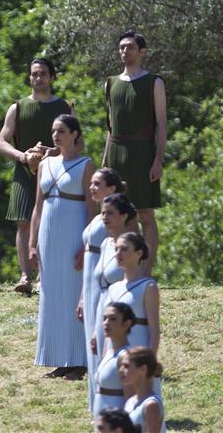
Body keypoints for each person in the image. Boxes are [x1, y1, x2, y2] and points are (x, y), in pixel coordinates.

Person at [0, 57, 74, 293]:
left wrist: (54, 151)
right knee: (23, 223)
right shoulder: (18, 107)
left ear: (51, 77)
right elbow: (1, 142)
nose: (38, 78)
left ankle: (43, 275)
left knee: (48, 223)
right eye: (34, 74)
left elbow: (78, 145)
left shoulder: (65, 108)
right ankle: (24, 276)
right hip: (24, 172)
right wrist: (23, 157)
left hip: (55, 171)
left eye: (42, 74)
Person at [30, 114, 96, 380]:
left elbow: (92, 209)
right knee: (52, 294)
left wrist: (87, 244)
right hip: (49, 235)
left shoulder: (86, 165)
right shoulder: (45, 164)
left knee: (73, 292)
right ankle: (58, 358)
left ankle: (79, 360)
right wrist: (33, 243)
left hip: (73, 234)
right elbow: (37, 206)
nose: (56, 136)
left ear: (75, 135)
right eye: (54, 131)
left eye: (62, 131)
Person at [102, 31, 166, 272]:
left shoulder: (154, 82)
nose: (124, 51)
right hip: (117, 152)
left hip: (142, 152)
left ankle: (145, 269)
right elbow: (110, 127)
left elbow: (161, 123)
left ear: (142, 51)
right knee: (120, 213)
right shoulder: (111, 83)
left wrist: (158, 160)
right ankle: (125, 268)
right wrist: (105, 164)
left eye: (130, 47)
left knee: (145, 213)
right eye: (121, 47)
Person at [79, 170, 127, 409]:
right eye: (91, 184)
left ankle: (108, 405)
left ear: (111, 189)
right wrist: (81, 298)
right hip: (89, 285)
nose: (92, 188)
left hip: (104, 288)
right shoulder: (98, 216)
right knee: (92, 342)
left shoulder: (117, 218)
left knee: (101, 342)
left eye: (97, 184)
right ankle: (94, 404)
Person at [91, 193, 137, 358]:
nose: (105, 217)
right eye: (103, 213)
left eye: (110, 213)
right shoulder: (105, 244)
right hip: (101, 311)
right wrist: (96, 330)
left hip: (119, 315)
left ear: (123, 216)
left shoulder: (132, 246)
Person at [106, 233, 159, 354]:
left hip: (137, 351)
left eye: (124, 249)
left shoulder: (148, 287)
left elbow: (154, 329)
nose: (118, 254)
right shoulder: (113, 288)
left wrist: (150, 361)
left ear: (139, 253)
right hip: (113, 352)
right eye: (116, 249)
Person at [93, 303, 137, 415]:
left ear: (126, 324)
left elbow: (131, 398)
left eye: (112, 319)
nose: (106, 323)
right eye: (104, 318)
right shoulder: (109, 353)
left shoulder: (125, 357)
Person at [119, 347, 166, 433]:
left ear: (143, 369)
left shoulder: (151, 405)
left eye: (126, 366)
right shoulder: (130, 401)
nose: (121, 370)